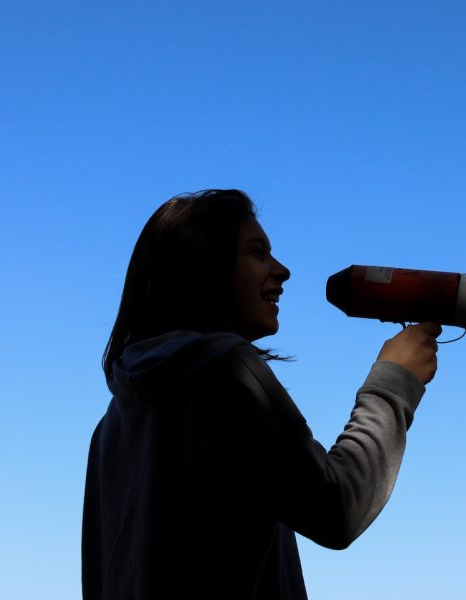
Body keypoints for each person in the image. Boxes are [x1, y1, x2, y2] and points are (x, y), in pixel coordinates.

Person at [82, 189, 440, 599]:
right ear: (203, 265)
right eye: (258, 253)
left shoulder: (110, 429)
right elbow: (339, 508)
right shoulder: (223, 368)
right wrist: (395, 381)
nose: (282, 270)